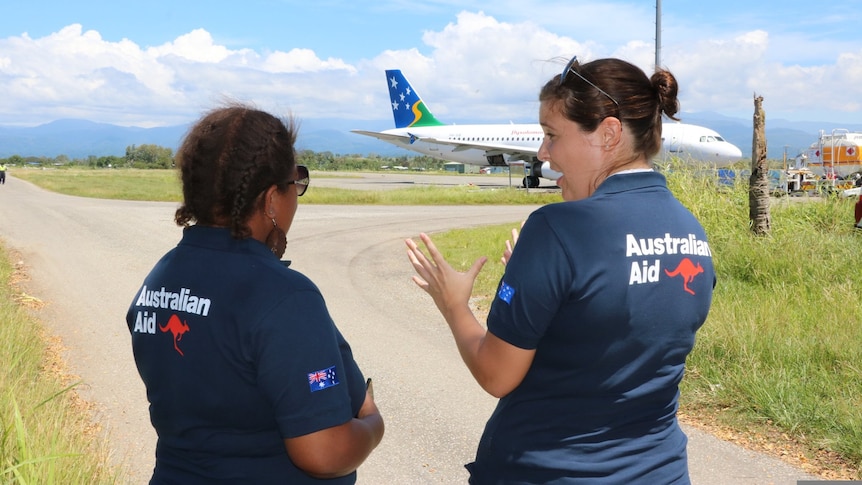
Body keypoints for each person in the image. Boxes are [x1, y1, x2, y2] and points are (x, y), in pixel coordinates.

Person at [406, 56, 715, 484]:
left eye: (552, 135)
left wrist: (454, 304)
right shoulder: (690, 231)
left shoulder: (557, 229)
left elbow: (497, 374)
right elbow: (620, 335)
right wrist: (547, 287)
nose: (542, 153)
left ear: (608, 134)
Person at [126, 104, 383, 484]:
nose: (296, 197)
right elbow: (324, 453)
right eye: (295, 184)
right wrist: (373, 424)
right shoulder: (283, 296)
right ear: (270, 199)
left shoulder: (160, 278)